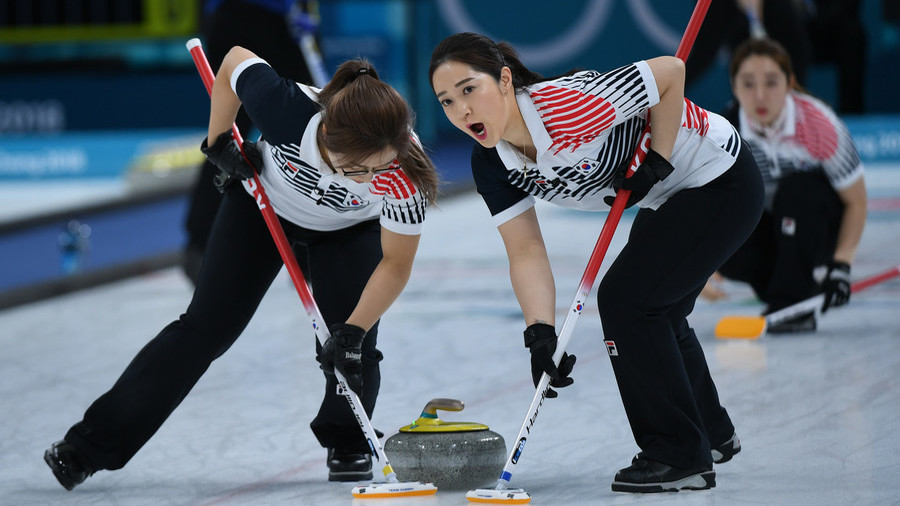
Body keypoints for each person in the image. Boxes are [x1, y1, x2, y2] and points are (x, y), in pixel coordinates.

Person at [43, 47, 439, 490]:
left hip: (350, 231)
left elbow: (396, 264)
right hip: (264, 207)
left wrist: (353, 331)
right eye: (353, 169)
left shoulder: (406, 171)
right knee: (204, 330)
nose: (367, 180)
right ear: (325, 134)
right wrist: (219, 144)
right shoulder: (288, 111)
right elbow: (233, 63)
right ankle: (89, 447)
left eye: (377, 169)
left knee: (354, 349)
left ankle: (347, 440)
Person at [429, 32, 764, 493]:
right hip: (668, 198)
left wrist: (659, 159)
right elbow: (526, 250)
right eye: (446, 101)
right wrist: (539, 333)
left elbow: (671, 72)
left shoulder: (566, 107)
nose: (461, 111)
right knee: (657, 308)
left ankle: (677, 454)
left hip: (718, 178)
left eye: (470, 90)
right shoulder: (492, 163)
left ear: (504, 80)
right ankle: (713, 434)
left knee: (629, 302)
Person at [709, 37, 866, 332]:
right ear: (734, 87)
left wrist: (841, 267)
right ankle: (797, 297)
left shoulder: (820, 126)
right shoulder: (723, 135)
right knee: (725, 234)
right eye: (748, 84)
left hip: (817, 230)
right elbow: (701, 204)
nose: (760, 96)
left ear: (790, 83)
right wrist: (698, 272)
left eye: (771, 83)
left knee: (798, 191)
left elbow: (856, 202)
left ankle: (788, 297)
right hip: (769, 234)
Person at [183, 0, 327, 284]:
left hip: (273, 20)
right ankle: (200, 244)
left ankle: (307, 245)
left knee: (303, 129)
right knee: (227, 135)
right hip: (254, 19)